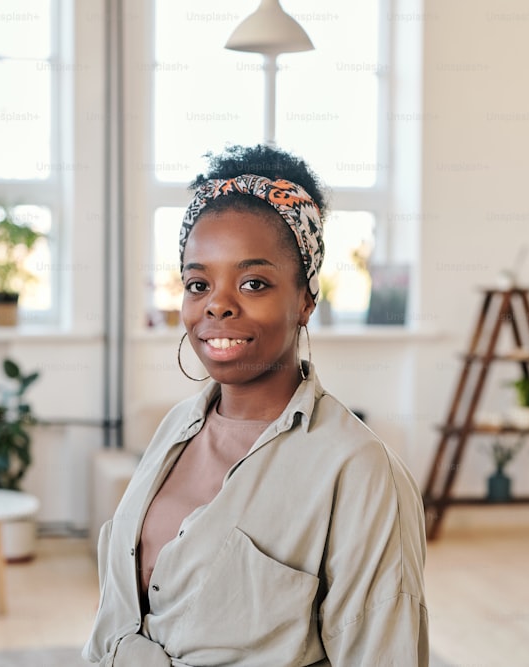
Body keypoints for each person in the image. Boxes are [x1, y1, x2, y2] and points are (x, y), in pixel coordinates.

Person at [83, 144, 429, 666]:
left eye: (253, 282)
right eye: (198, 284)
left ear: (306, 299)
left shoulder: (358, 470)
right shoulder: (176, 428)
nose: (218, 304)